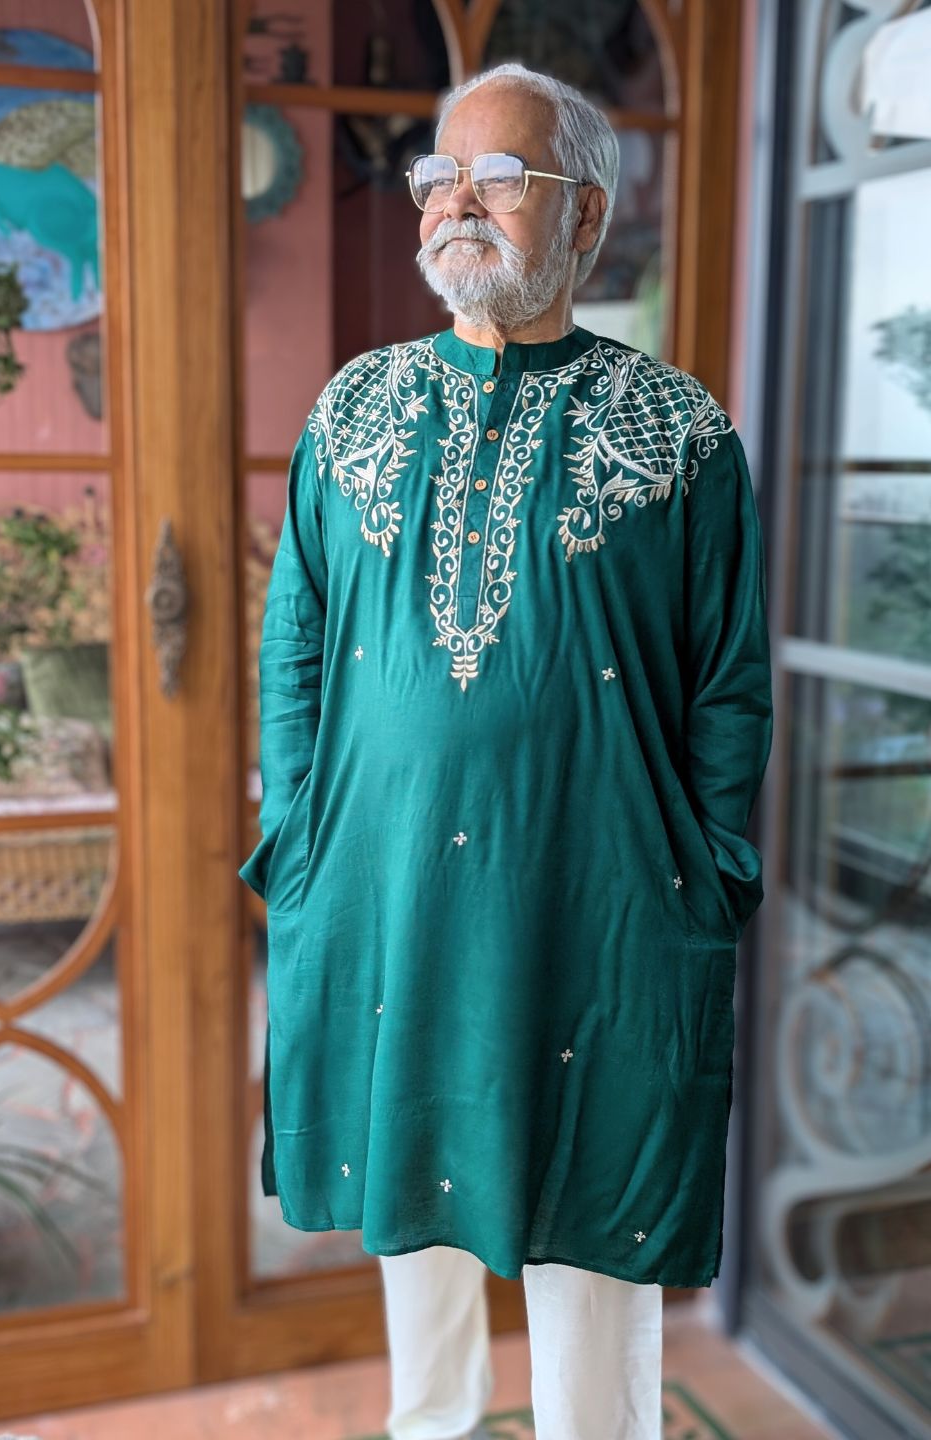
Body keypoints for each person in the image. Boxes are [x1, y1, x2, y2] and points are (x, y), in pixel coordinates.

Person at [239, 60, 773, 1440]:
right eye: (440, 176)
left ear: (586, 218)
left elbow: (728, 685)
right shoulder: (352, 408)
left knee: (593, 1226)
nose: (457, 203)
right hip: (385, 879)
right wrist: (297, 837)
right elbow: (293, 644)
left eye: (500, 177)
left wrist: (704, 872)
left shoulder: (678, 428)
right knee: (410, 1197)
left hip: (602, 898)